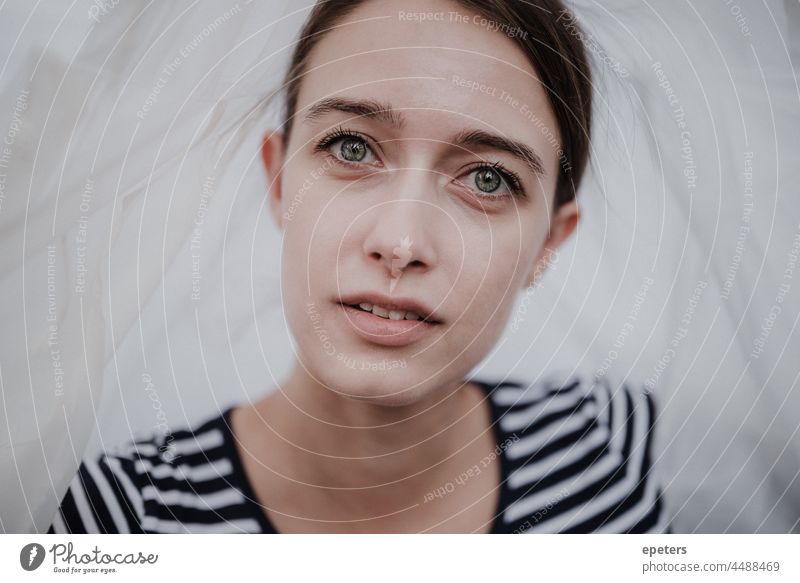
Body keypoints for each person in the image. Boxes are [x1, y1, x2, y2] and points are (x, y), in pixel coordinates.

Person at [48, 0, 669, 533]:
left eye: (488, 178)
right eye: (351, 147)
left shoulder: (606, 441)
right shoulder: (123, 517)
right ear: (279, 181)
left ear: (547, 246)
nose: (401, 243)